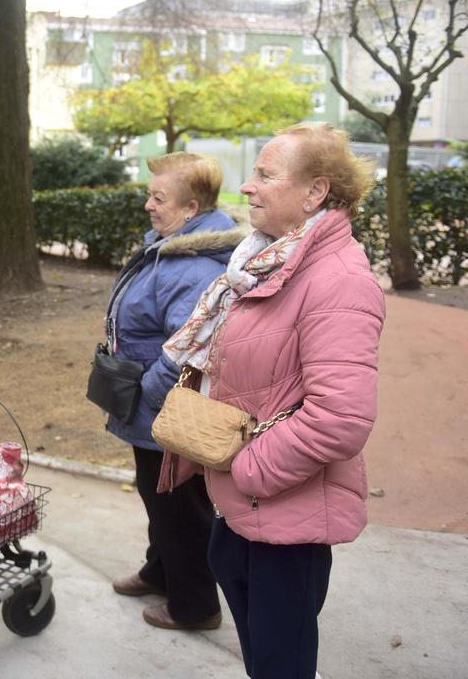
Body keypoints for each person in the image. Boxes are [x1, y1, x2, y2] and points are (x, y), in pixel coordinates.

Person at [160, 123, 385, 678]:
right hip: (250, 506)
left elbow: (340, 419)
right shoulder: (268, 260)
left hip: (283, 508)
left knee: (281, 661)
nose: (247, 186)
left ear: (314, 193)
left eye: (265, 175)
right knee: (253, 626)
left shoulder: (338, 281)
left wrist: (247, 468)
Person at [102, 152, 241, 631]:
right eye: (149, 193)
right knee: (158, 496)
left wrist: (148, 390)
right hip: (149, 411)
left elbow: (188, 348)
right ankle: (159, 572)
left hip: (164, 410)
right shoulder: (172, 247)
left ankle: (195, 606)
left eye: (158, 197)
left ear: (191, 209)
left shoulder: (194, 266)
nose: (147, 205)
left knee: (180, 507)